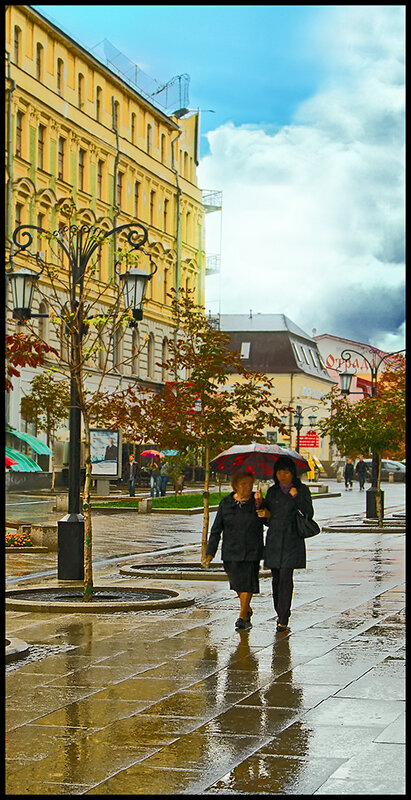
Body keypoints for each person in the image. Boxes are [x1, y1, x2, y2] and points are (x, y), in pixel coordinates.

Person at [255, 454, 314, 633]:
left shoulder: (301, 490)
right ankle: (279, 611)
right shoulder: (272, 491)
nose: (283, 475)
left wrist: (296, 497)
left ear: (292, 473)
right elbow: (267, 517)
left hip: (291, 540)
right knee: (276, 579)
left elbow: (308, 513)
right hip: (274, 540)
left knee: (286, 578)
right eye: (280, 472)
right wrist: (259, 503)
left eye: (286, 472)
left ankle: (283, 617)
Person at [204, 470, 264, 630]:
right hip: (231, 550)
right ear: (235, 485)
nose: (247, 487)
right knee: (236, 583)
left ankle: (242, 616)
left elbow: (267, 521)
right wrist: (210, 552)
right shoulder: (226, 503)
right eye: (244, 484)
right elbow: (216, 529)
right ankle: (247, 609)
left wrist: (260, 503)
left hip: (252, 549)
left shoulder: (256, 501)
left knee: (248, 583)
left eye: (250, 484)